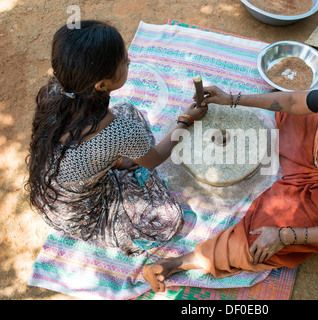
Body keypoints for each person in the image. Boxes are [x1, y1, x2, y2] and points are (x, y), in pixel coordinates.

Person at [143, 61, 318, 292]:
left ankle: (179, 263)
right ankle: (308, 170)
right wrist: (233, 99)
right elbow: (295, 101)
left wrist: (286, 235)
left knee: (260, 236)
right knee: (296, 115)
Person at [26, 20, 207, 256]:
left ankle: (120, 164)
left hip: (52, 194)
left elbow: (87, 147)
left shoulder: (56, 91)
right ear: (101, 85)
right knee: (167, 221)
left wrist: (119, 160)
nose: (128, 60)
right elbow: (155, 159)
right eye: (124, 61)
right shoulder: (120, 131)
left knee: (128, 111)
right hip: (81, 214)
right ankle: (124, 169)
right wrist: (186, 120)